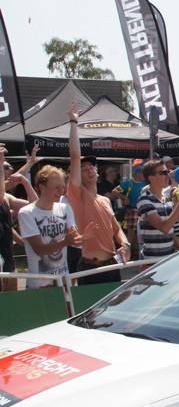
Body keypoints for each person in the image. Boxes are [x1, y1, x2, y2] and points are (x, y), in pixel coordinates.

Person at [67, 102, 130, 283]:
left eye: (91, 167)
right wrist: (73, 122)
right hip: (90, 268)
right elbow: (75, 155)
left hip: (112, 266)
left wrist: (125, 243)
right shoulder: (78, 195)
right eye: (84, 168)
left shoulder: (105, 200)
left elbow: (116, 229)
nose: (89, 169)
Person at [18, 165, 86, 288]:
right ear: (42, 187)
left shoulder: (65, 208)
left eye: (63, 187)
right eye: (56, 187)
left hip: (63, 280)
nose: (61, 191)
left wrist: (84, 237)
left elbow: (74, 237)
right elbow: (39, 249)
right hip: (39, 283)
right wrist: (66, 242)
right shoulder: (26, 213)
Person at [0, 145, 38, 291]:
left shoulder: (7, 197)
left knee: (12, 303)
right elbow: (10, 183)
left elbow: (35, 206)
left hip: (9, 262)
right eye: (6, 167)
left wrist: (26, 182)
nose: (10, 169)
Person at [137, 159, 179, 260]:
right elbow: (164, 228)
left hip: (168, 259)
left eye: (168, 172)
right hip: (152, 261)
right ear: (151, 178)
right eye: (164, 173)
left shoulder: (167, 198)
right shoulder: (145, 200)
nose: (168, 175)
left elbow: (170, 230)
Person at [112, 162, 146, 251]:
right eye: (143, 173)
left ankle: (135, 249)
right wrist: (124, 197)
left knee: (139, 232)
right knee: (132, 233)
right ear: (138, 173)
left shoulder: (144, 183)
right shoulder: (129, 182)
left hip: (141, 211)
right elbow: (114, 191)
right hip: (132, 210)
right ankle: (129, 250)